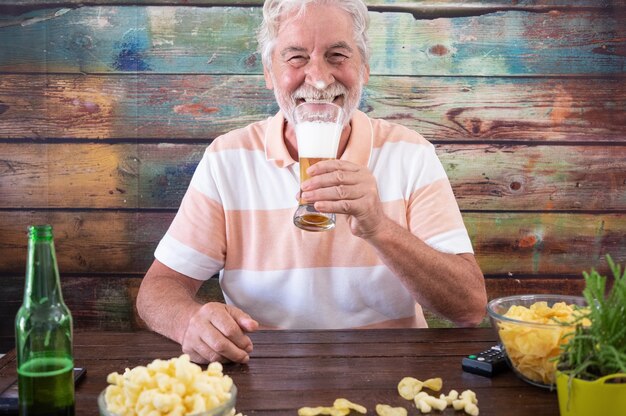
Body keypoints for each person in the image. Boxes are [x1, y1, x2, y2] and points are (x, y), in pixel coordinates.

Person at [137, 0, 487, 364]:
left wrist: (379, 228)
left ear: (364, 68)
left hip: (391, 375)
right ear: (269, 73)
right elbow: (156, 291)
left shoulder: (411, 154)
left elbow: (469, 308)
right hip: (263, 374)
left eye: (338, 55)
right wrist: (189, 323)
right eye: (296, 58)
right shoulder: (227, 158)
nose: (319, 79)